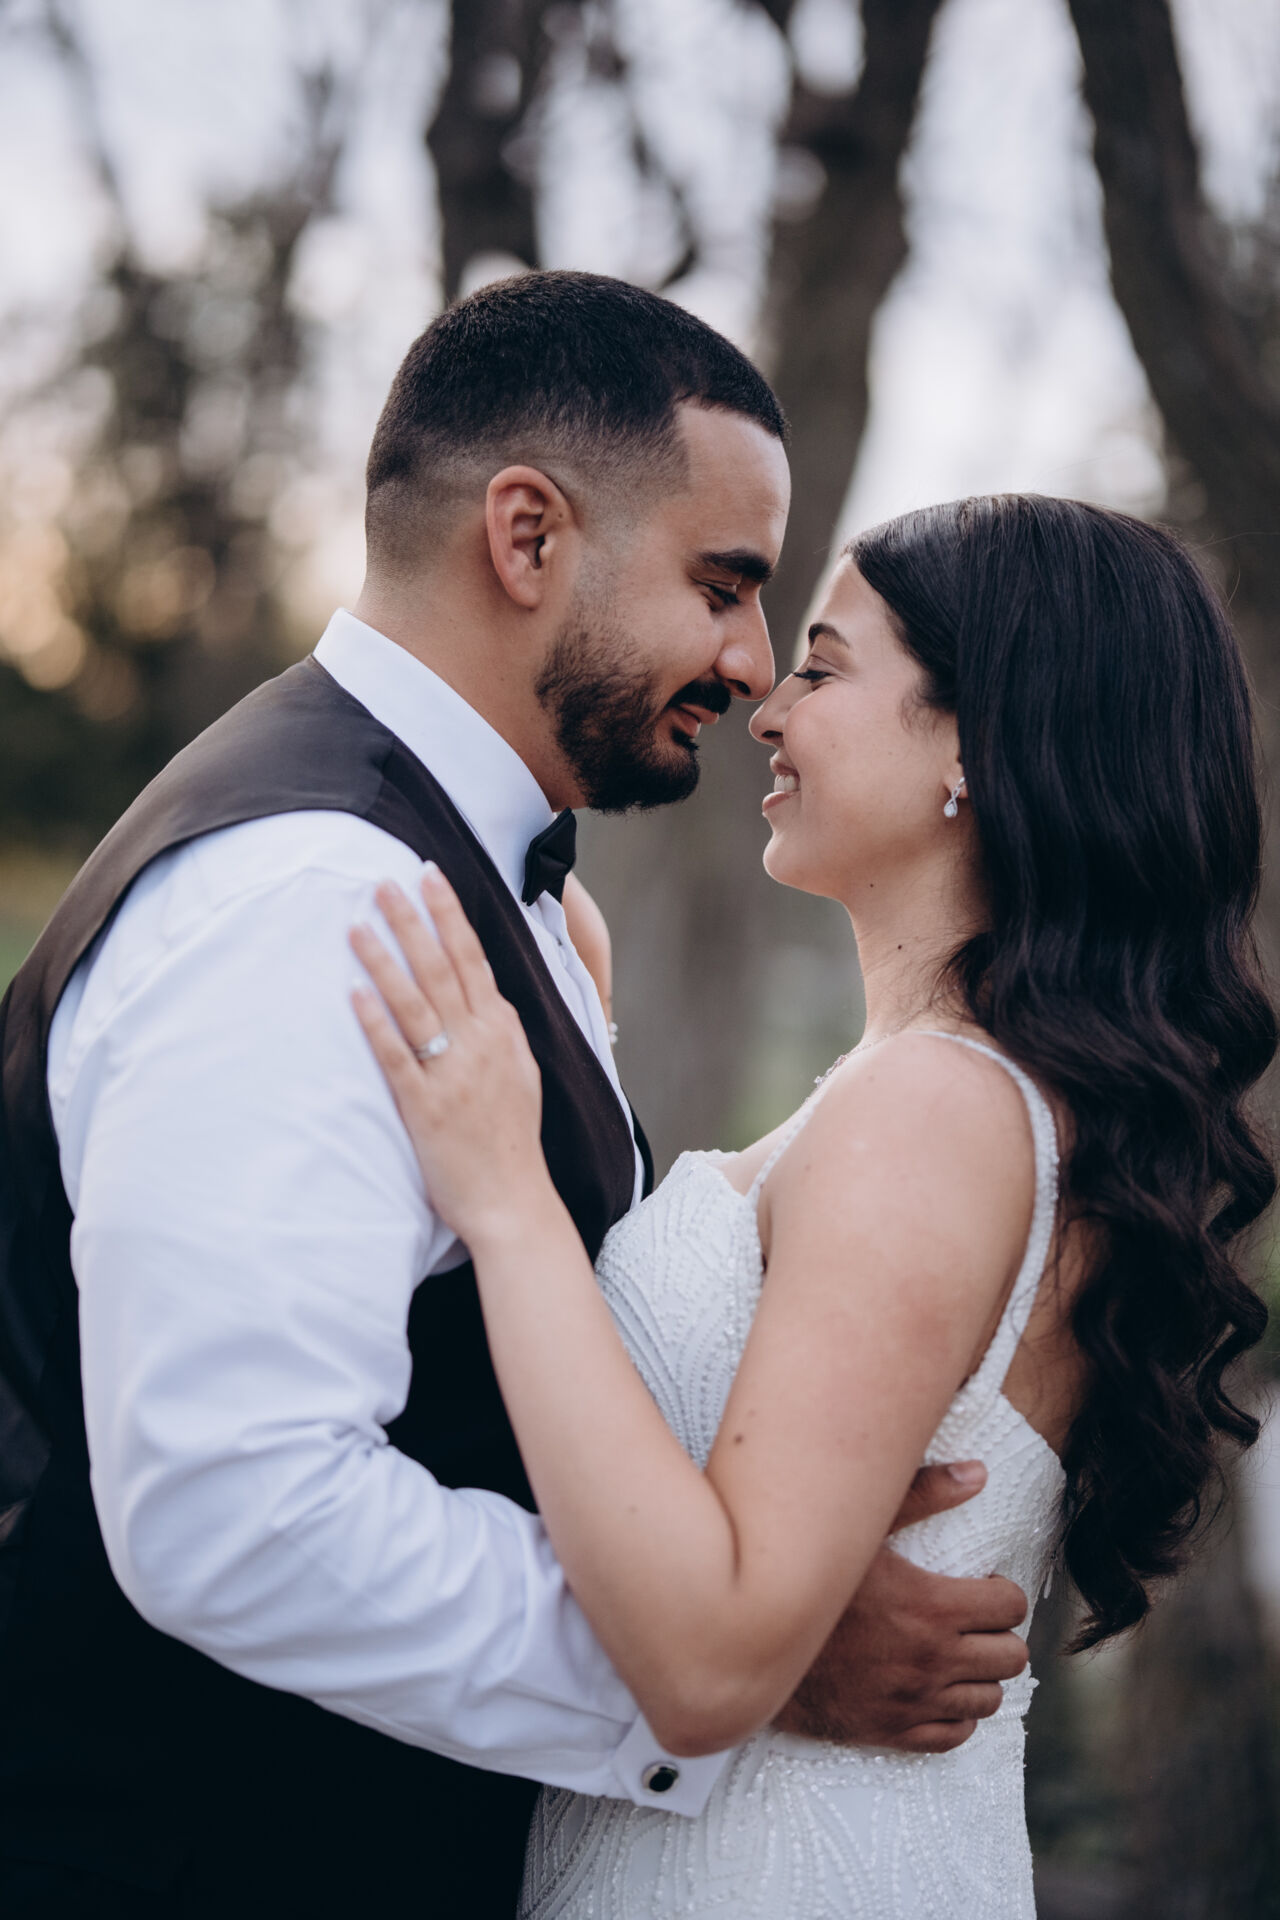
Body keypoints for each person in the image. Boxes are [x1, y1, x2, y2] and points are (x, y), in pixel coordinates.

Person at [0, 275, 1029, 1920]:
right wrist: (713, 1665)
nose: (749, 663)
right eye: (722, 584)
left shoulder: (487, 891)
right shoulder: (321, 899)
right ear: (529, 537)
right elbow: (235, 1509)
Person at [351, 492, 1276, 1918]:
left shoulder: (935, 1110)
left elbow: (709, 1656)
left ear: (976, 743)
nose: (766, 711)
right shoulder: (958, 1096)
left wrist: (507, 1190)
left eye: (825, 669)